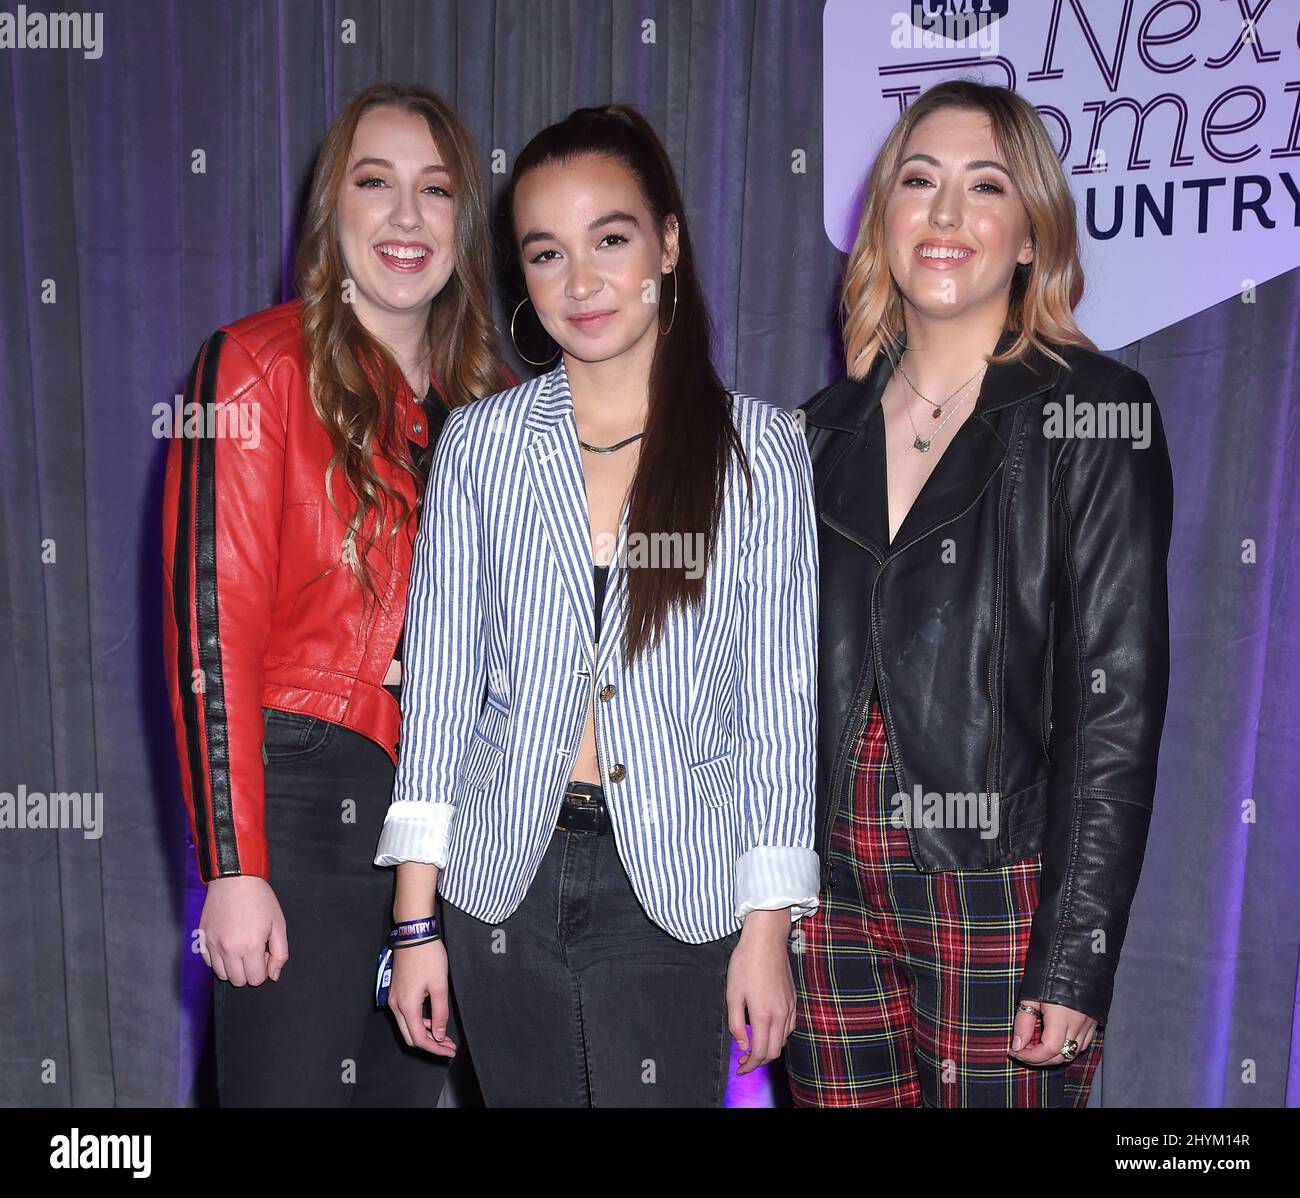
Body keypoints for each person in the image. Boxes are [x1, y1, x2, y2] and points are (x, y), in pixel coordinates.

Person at [374, 104, 820, 1107]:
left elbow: (781, 708)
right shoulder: (480, 448)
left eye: (609, 239)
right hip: (501, 881)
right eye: (546, 253)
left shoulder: (759, 451)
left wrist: (768, 929)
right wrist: (414, 925)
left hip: (672, 887)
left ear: (666, 242)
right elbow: (439, 694)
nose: (580, 283)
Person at [785, 79, 1173, 1107]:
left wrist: (1074, 956)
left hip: (994, 885)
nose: (946, 215)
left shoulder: (1094, 412)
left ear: (1032, 232)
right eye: (919, 181)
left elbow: (1113, 708)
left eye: (984, 185)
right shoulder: (810, 434)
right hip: (820, 899)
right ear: (883, 219)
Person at [161, 82, 509, 1106]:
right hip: (299, 806)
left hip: (437, 838)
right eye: (375, 183)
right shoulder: (255, 367)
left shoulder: (489, 417)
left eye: (435, 190)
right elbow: (209, 630)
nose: (406, 217)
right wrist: (234, 865)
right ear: (332, 212)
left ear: (462, 224)